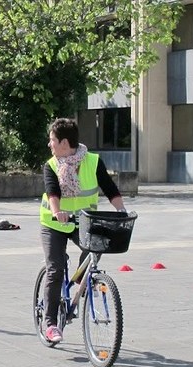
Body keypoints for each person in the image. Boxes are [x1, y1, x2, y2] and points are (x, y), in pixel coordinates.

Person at [39, 117, 126, 343]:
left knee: (94, 250)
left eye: (52, 141)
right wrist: (58, 211)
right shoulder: (51, 165)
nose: (50, 145)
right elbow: (52, 193)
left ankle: (81, 282)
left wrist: (121, 210)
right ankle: (49, 324)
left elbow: (110, 188)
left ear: (65, 143)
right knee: (55, 270)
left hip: (82, 222)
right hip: (53, 223)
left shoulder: (93, 162)